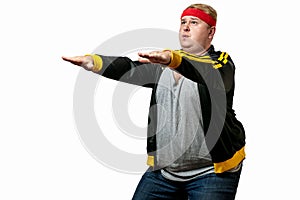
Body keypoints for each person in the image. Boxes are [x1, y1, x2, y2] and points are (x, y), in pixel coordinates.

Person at [62, 3, 246, 200]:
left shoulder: (221, 62)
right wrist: (94, 63)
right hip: (164, 173)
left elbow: (210, 75)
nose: (185, 27)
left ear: (211, 32)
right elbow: (130, 69)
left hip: (211, 172)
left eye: (194, 22)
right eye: (183, 22)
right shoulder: (164, 64)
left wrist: (172, 59)